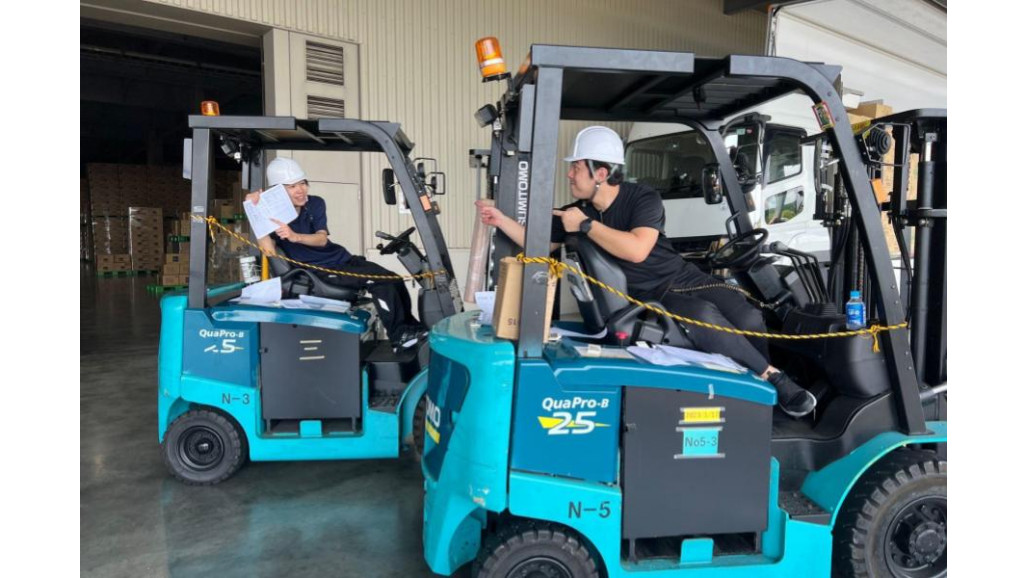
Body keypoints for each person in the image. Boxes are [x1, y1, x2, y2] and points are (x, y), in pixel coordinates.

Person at [477, 126, 816, 418]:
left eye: (576, 167)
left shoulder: (641, 197)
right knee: (703, 316)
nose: (570, 174)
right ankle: (774, 379)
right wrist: (500, 220)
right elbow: (539, 245)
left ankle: (758, 394)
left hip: (682, 276)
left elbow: (637, 248)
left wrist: (585, 225)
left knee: (748, 314)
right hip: (649, 294)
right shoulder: (576, 213)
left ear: (601, 173)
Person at [248, 157, 426, 348]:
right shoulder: (271, 216)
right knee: (379, 282)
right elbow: (269, 250)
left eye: (302, 183)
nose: (300, 190)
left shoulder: (315, 203)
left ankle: (411, 329)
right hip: (319, 272)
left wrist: (295, 236)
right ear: (277, 191)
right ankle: (399, 337)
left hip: (341, 259)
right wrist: (254, 211)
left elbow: (321, 239)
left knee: (394, 279)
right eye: (292, 186)